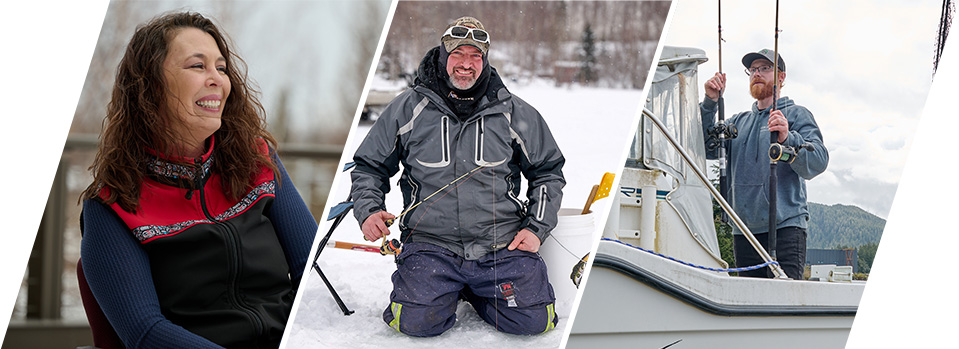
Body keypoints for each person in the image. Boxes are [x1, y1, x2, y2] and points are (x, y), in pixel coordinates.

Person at [79, 12, 317, 348]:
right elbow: (145, 332)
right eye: (197, 66)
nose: (217, 79)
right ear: (150, 85)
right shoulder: (113, 205)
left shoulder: (258, 161)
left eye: (221, 68)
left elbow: (310, 267)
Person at [350, 16, 565, 337]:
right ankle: (443, 292)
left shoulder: (516, 113)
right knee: (414, 323)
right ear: (442, 56)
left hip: (501, 245)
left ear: (485, 60)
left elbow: (547, 172)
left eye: (475, 56)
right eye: (458, 54)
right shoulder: (407, 109)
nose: (466, 64)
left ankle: (474, 292)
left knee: (536, 322)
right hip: (431, 245)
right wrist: (368, 211)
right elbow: (369, 167)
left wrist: (535, 228)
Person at [700, 49, 828, 280]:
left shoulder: (797, 115)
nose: (757, 73)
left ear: (781, 77)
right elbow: (706, 148)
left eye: (765, 68)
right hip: (744, 231)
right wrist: (710, 103)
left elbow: (818, 161)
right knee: (748, 307)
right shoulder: (737, 122)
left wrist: (787, 138)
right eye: (753, 70)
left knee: (783, 309)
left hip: (786, 230)